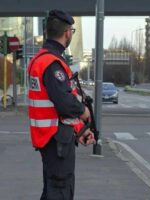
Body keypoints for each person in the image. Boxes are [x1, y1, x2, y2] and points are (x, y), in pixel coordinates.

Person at [27, 9, 96, 200]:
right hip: (56, 140)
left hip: (49, 137)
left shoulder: (39, 60)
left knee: (52, 191)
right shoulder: (52, 63)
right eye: (72, 31)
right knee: (60, 191)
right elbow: (64, 103)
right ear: (67, 33)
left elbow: (56, 107)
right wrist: (83, 112)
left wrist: (79, 130)